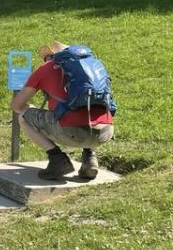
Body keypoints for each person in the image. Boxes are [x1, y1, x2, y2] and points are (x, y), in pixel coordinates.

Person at [10, 41, 114, 180]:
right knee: (86, 109)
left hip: (72, 132)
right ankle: (90, 159)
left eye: (47, 56)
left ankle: (57, 159)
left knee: (23, 116)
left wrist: (29, 103)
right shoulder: (91, 67)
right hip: (105, 131)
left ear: (53, 56)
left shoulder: (46, 68)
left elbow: (17, 106)